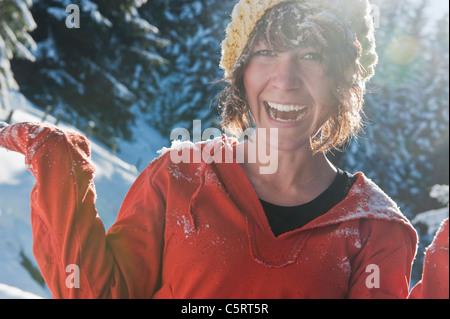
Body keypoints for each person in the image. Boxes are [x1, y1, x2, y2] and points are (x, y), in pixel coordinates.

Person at [0, 0, 419, 299]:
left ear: (343, 79)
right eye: (267, 53)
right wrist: (61, 172)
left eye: (312, 54)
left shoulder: (374, 229)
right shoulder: (179, 175)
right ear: (241, 72)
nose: (285, 78)